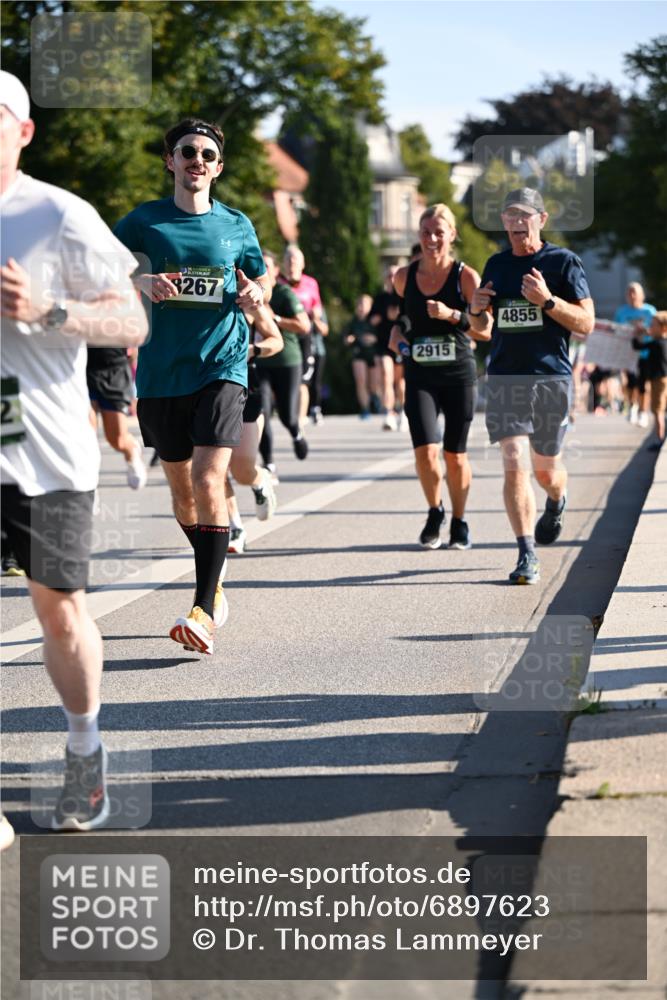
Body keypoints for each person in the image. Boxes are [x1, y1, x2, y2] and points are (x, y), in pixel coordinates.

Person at [0, 71, 148, 830]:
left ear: (23, 132)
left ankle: (84, 752)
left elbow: (131, 321)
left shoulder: (58, 214)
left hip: (46, 452)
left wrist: (46, 308)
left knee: (59, 613)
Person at [113, 117, 269, 654]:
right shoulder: (143, 223)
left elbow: (258, 275)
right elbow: (100, 268)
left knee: (209, 480)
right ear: (170, 161)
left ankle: (203, 607)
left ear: (218, 167)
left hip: (222, 365)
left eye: (206, 154)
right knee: (182, 494)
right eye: (187, 151)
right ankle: (215, 580)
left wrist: (255, 297)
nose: (196, 160)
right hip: (160, 375)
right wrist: (140, 279)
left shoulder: (236, 224)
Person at [468, 188, 595, 584]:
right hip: (506, 378)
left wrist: (547, 301)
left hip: (551, 378)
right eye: (510, 215)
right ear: (503, 222)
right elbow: (483, 331)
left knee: (546, 471)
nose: (518, 222)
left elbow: (586, 323)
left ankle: (556, 500)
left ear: (542, 218)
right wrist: (474, 310)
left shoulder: (562, 262)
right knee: (513, 464)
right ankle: (526, 554)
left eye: (525, 215)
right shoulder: (496, 265)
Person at [390, 204, 487, 550]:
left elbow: (484, 330)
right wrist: (397, 333)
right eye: (426, 232)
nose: (432, 239)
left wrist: (452, 315)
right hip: (420, 375)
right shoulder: (404, 276)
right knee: (425, 453)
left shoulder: (465, 277)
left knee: (454, 455)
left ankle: (460, 521)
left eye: (439, 233)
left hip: (458, 374)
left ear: (452, 236)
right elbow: (405, 317)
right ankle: (435, 510)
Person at [225, 300, 285, 552]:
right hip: (203, 391)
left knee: (241, 469)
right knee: (212, 469)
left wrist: (254, 350)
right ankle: (234, 527)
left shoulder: (246, 299)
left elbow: (276, 340)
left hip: (246, 390)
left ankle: (260, 481)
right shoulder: (192, 294)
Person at [256, 249, 310, 479]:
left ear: (276, 271)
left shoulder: (284, 294)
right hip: (260, 361)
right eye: (260, 266)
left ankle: (296, 433)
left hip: (287, 360)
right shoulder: (249, 293)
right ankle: (269, 464)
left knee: (288, 416)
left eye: (267, 267)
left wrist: (275, 318)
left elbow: (304, 326)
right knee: (262, 412)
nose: (263, 271)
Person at [279, 246, 327, 430]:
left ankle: (299, 420)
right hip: (285, 336)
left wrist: (315, 314)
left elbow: (318, 308)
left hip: (305, 336)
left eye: (295, 260)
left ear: (302, 263)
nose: (292, 264)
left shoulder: (311, 283)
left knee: (303, 379)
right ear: (283, 264)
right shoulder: (278, 283)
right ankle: (287, 413)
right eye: (289, 260)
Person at [87, 346, 147, 489]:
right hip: (83, 370)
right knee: (87, 436)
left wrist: (135, 390)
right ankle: (89, 489)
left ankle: (131, 449)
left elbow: (135, 341)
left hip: (115, 369)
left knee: (117, 439)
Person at [614, 282, 656, 427]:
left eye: (635, 293)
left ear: (641, 295)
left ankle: (643, 412)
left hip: (645, 352)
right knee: (630, 383)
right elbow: (616, 331)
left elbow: (657, 331)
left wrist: (645, 331)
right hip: (628, 352)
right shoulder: (621, 312)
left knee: (644, 383)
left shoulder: (650, 311)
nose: (632, 296)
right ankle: (633, 406)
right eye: (629, 293)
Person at [370, 265, 402, 430]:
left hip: (402, 344)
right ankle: (388, 413)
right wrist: (383, 316)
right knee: (385, 376)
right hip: (383, 344)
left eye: (395, 275)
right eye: (389, 275)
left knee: (401, 382)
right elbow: (372, 319)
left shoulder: (405, 296)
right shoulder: (380, 298)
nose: (391, 278)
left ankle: (403, 411)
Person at [632, 311, 667, 451]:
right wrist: (645, 332)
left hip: (659, 380)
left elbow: (637, 346)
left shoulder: (656, 344)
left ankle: (659, 440)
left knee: (657, 411)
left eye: (653, 325)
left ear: (663, 328)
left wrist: (636, 335)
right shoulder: (661, 342)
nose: (650, 328)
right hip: (662, 379)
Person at [344, 293, 377, 419]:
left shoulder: (374, 320)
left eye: (364, 304)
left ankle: (377, 401)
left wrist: (374, 338)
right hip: (358, 353)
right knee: (361, 381)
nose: (361, 307)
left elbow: (383, 336)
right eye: (359, 304)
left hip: (374, 354)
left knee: (374, 384)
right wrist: (350, 339)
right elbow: (346, 338)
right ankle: (365, 408)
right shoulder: (353, 322)